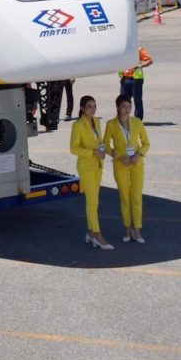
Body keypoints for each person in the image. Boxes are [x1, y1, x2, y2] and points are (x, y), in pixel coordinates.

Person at [105, 94, 151, 243]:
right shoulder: (111, 124)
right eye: (124, 106)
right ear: (118, 107)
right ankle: (127, 229)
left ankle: (137, 230)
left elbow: (146, 143)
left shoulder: (137, 122)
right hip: (121, 164)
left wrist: (139, 154)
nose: (127, 109)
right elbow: (105, 145)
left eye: (129, 106)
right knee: (125, 198)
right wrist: (118, 156)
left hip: (137, 163)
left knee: (137, 197)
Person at [70, 95, 112, 249]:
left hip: (98, 165)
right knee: (92, 201)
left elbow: (101, 143)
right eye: (89, 106)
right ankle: (97, 234)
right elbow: (74, 148)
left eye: (94, 106)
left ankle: (90, 232)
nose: (92, 109)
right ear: (82, 108)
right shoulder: (78, 125)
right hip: (86, 166)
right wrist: (93, 152)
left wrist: (114, 154)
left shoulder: (96, 122)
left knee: (94, 201)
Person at [119, 45, 153, 120]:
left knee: (137, 100)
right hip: (124, 79)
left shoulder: (138, 49)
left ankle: (138, 119)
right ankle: (124, 119)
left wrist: (140, 66)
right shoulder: (121, 48)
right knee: (123, 101)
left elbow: (149, 61)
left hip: (136, 79)